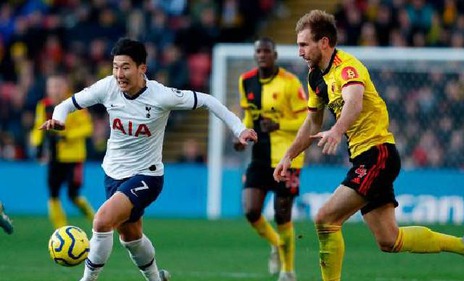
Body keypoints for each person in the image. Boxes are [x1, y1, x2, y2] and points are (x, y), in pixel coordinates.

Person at [273, 9, 464, 281]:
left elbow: (354, 102)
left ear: (324, 42)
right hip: (365, 158)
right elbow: (311, 123)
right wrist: (288, 155)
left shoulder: (347, 67)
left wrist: (337, 129)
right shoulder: (315, 78)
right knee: (389, 240)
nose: (299, 51)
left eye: (304, 44)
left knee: (325, 218)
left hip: (377, 153)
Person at [40, 38, 257, 281]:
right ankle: (156, 278)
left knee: (101, 222)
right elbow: (66, 105)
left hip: (147, 175)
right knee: (130, 237)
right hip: (113, 174)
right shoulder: (107, 87)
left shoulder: (161, 96)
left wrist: (239, 129)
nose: (118, 74)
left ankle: (87, 279)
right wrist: (59, 119)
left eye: (125, 67)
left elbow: (208, 101)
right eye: (115, 67)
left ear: (142, 68)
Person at [234, 37, 307, 281]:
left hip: (287, 158)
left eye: (267, 51)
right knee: (251, 210)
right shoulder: (246, 81)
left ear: (275, 55)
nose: (262, 55)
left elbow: (307, 120)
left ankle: (287, 271)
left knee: (281, 215)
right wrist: (242, 134)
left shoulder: (289, 82)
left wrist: (279, 124)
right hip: (259, 156)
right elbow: (249, 116)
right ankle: (276, 244)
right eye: (258, 51)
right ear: (255, 55)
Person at [31, 74, 95, 229]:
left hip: (74, 157)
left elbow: (88, 128)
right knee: (53, 195)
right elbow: (38, 127)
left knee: (74, 196)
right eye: (51, 86)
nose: (54, 90)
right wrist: (38, 145)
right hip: (54, 157)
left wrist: (67, 135)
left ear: (65, 87)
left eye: (57, 86)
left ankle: (98, 221)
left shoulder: (75, 104)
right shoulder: (43, 105)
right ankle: (61, 231)